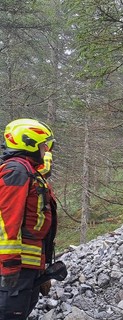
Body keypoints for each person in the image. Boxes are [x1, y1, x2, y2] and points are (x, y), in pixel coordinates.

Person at [0, 118, 58, 320]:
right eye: (44, 146)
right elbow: (8, 220)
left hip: (28, 266)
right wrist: (9, 267)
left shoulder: (28, 171)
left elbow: (35, 225)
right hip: (16, 269)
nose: (47, 150)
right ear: (29, 144)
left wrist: (42, 270)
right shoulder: (16, 171)